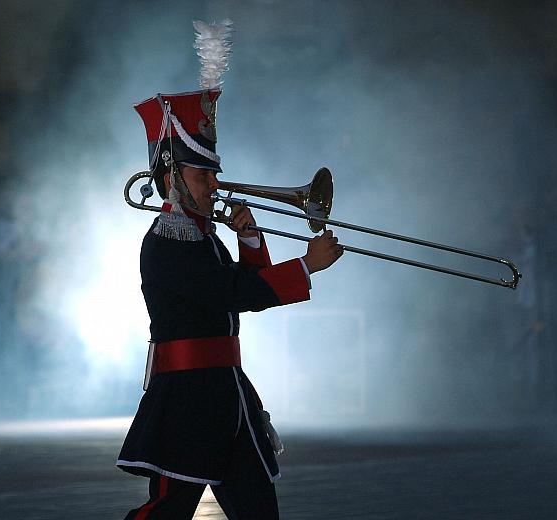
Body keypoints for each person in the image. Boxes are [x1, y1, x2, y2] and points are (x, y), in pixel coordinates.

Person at [117, 21, 342, 519]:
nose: (214, 183)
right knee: (169, 512)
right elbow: (234, 292)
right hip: (187, 400)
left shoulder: (201, 237)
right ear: (171, 177)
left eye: (213, 172)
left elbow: (245, 289)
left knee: (259, 509)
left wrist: (249, 236)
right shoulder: (167, 242)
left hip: (227, 393)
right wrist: (306, 265)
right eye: (203, 173)